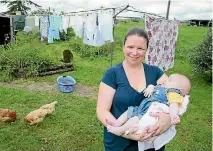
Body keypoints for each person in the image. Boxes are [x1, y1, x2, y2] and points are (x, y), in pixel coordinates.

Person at [96, 27, 173, 151]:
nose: (135, 52)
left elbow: (176, 95)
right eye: (130, 47)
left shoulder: (156, 73)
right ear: (123, 47)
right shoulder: (112, 74)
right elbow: (102, 110)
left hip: (151, 141)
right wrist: (126, 132)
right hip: (119, 143)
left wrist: (169, 119)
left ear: (146, 50)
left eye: (140, 48)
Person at [106, 73, 191, 151]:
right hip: (141, 108)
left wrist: (173, 115)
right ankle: (117, 123)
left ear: (178, 89)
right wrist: (151, 87)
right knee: (129, 111)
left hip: (148, 111)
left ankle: (121, 130)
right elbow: (154, 86)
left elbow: (173, 105)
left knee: (135, 119)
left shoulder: (173, 92)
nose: (165, 79)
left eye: (169, 80)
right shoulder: (163, 87)